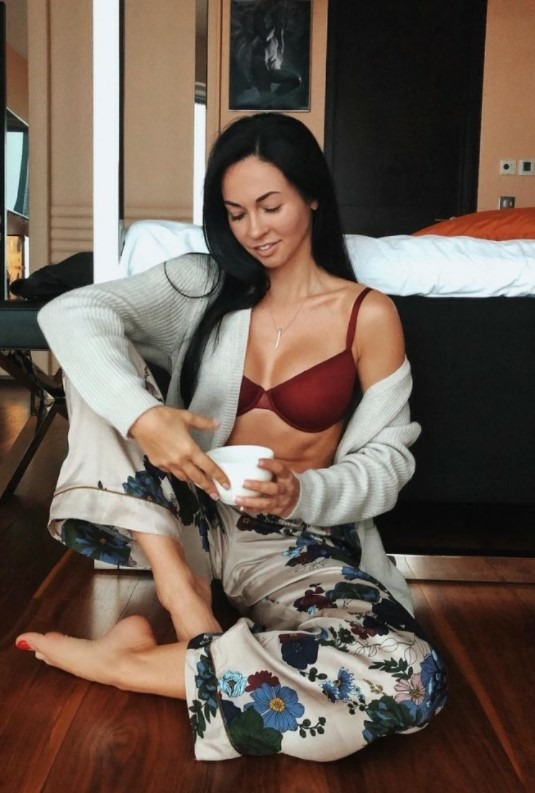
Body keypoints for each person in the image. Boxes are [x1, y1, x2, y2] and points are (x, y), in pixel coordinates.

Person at [16, 112, 446, 761]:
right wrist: (146, 417)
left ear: (312, 195)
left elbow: (387, 462)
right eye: (236, 212)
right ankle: (182, 598)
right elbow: (69, 312)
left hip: (296, 544)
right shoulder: (200, 283)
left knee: (411, 678)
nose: (253, 230)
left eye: (270, 206)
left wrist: (303, 491)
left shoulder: (367, 314)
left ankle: (129, 664)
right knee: (96, 363)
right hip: (183, 525)